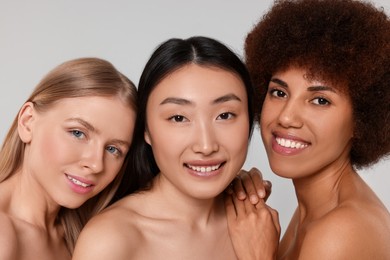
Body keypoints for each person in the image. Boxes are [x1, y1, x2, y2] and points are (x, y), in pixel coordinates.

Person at [72, 36, 280, 260]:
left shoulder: (255, 223)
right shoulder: (110, 241)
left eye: (225, 115)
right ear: (146, 130)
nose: (206, 145)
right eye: (179, 118)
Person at [227, 0, 390, 259]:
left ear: (361, 119)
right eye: (279, 92)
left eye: (320, 100)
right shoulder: (314, 210)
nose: (287, 116)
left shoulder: (339, 232)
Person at [0, 57, 137, 259]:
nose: (96, 164)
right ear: (28, 122)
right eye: (78, 133)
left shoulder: (84, 238)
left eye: (113, 149)